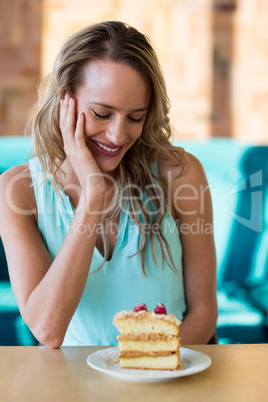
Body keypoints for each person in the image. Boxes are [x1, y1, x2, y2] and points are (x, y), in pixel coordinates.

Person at [0, 21, 217, 348]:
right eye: (102, 113)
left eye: (135, 118)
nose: (118, 136)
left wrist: (148, 370)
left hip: (169, 380)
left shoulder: (180, 174)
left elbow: (203, 311)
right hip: (77, 390)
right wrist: (93, 195)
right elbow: (48, 329)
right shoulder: (17, 191)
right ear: (65, 102)